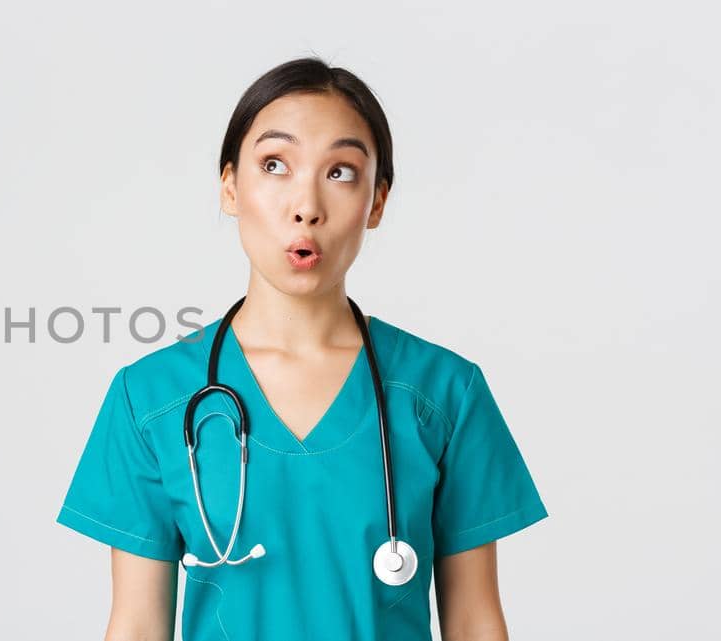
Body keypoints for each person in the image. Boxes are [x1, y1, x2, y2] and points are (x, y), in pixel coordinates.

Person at [55, 57, 548, 641]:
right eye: (274, 165)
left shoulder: (444, 393)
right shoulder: (151, 398)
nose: (306, 205)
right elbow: (136, 626)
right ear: (230, 187)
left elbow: (475, 621)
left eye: (340, 172)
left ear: (378, 202)